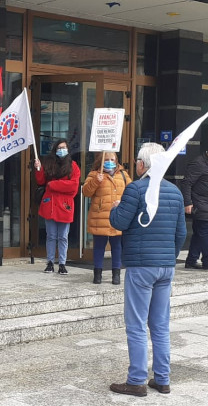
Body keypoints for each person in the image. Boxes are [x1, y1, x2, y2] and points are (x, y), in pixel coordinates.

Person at [108, 142, 186, 397]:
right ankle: (162, 379)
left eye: (138, 162)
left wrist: (114, 208)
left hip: (141, 266)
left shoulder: (136, 189)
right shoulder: (175, 192)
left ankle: (137, 380)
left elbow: (119, 221)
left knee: (137, 324)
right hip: (165, 266)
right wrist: (168, 257)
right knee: (160, 325)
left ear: (143, 164)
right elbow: (181, 234)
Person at [82, 152, 132, 284]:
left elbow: (131, 193)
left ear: (116, 161)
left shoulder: (123, 175)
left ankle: (116, 274)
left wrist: (123, 203)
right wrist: (95, 182)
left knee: (117, 247)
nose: (109, 162)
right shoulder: (94, 174)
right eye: (107, 159)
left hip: (117, 216)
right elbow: (86, 192)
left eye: (112, 159)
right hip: (100, 217)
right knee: (99, 247)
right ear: (101, 160)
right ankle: (97, 274)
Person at [33, 139, 81, 275]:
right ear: (55, 150)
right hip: (50, 205)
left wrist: (53, 185)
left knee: (63, 237)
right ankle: (49, 263)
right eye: (59, 148)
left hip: (64, 207)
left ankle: (62, 264)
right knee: (51, 236)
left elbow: (73, 187)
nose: (62, 150)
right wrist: (38, 168)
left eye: (64, 147)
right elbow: (41, 180)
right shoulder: (49, 164)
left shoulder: (73, 166)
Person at [181, 149, 208, 269]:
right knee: (204, 233)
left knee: (199, 234)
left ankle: (191, 260)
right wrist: (187, 202)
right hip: (200, 205)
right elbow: (186, 183)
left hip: (204, 203)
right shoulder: (198, 163)